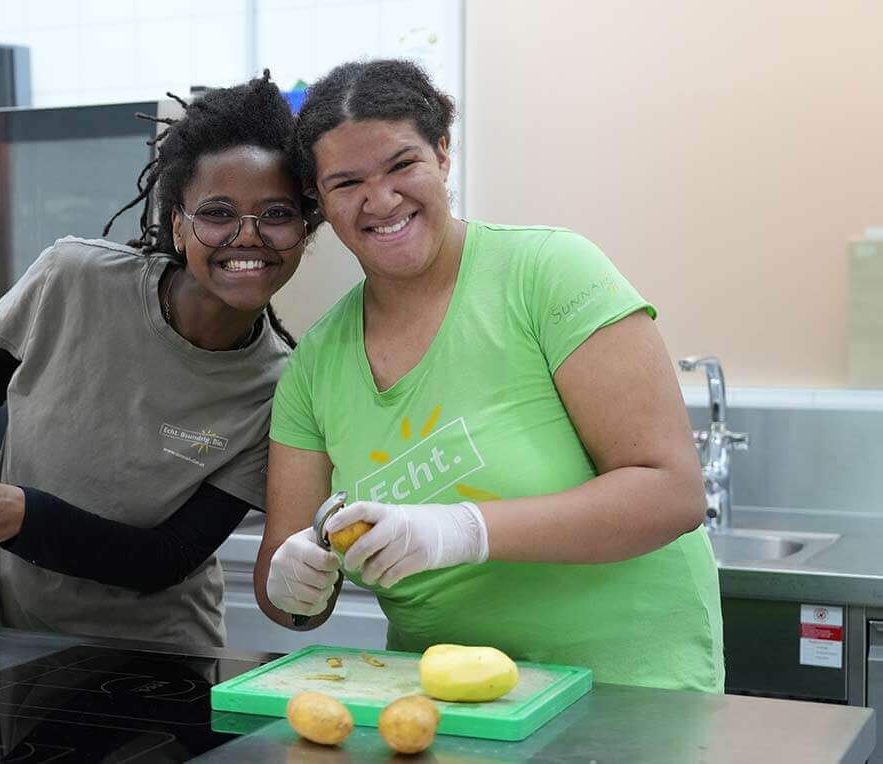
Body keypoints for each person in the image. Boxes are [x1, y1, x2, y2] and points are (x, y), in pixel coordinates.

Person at [254, 59, 723, 692]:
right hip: (447, 709)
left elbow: (671, 493)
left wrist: (462, 530)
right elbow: (287, 592)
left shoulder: (549, 274)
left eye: (401, 165)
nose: (381, 199)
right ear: (319, 200)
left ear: (443, 154)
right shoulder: (315, 365)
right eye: (346, 182)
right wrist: (295, 583)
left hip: (630, 697)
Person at [0, 72, 319, 647]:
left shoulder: (281, 389)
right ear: (179, 226)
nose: (248, 236)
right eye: (217, 212)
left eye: (277, 214)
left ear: (306, 231)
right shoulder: (74, 275)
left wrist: (23, 517)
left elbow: (166, 558)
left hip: (156, 663)